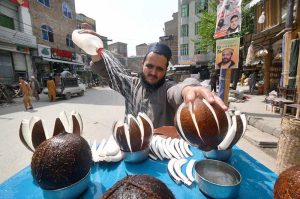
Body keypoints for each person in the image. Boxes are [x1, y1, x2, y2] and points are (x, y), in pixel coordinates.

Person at [80, 28, 227, 128]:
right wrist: (94, 48)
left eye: (159, 69)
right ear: (142, 64)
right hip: (133, 149)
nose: (153, 73)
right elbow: (105, 72)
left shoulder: (167, 88)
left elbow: (179, 90)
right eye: (150, 66)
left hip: (161, 155)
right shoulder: (131, 85)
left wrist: (190, 89)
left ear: (166, 70)